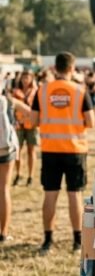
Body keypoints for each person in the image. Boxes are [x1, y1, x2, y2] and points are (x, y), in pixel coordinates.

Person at [31, 52, 95, 254]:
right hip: (74, 149)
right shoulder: (79, 90)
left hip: (50, 150)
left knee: (50, 194)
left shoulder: (42, 91)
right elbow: (92, 122)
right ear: (71, 68)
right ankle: (77, 240)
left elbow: (33, 122)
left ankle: (47, 239)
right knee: (74, 194)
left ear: (54, 68)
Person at [1, 93, 26, 242]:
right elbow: (29, 112)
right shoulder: (8, 99)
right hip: (5, 147)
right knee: (4, 189)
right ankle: (3, 233)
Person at [12, 70, 39, 186]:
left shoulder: (36, 92)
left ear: (32, 79)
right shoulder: (15, 92)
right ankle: (18, 174)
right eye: (23, 78)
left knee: (31, 151)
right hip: (18, 125)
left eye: (27, 78)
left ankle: (30, 176)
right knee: (17, 151)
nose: (25, 80)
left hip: (31, 124)